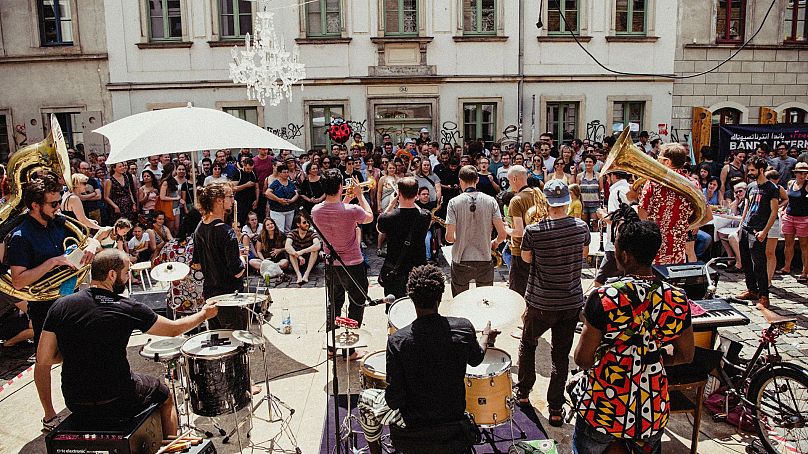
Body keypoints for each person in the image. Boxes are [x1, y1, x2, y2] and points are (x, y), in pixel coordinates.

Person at [37, 249, 218, 437]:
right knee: (165, 395)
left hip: (75, 400)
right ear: (112, 275)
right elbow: (173, 329)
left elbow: (45, 358)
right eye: (126, 273)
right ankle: (171, 446)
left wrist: (76, 350)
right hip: (118, 397)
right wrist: (204, 314)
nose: (128, 277)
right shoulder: (128, 308)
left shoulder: (60, 306)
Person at [572, 215, 694, 453]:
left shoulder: (605, 297)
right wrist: (647, 361)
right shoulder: (676, 298)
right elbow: (686, 354)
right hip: (651, 408)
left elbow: (582, 359)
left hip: (604, 408)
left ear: (624, 255)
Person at [357, 264, 498, 454]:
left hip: (413, 426)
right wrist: (485, 338)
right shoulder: (463, 328)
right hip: (452, 419)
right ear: (440, 297)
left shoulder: (398, 341)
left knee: (366, 399)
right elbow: (476, 359)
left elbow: (394, 400)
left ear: (411, 298)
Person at [5, 175, 96, 430]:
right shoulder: (21, 236)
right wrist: (53, 262)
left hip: (70, 297)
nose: (58, 208)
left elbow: (89, 236)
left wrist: (92, 245)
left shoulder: (57, 222)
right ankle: (48, 415)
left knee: (78, 351)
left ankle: (83, 402)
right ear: (35, 205)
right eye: (53, 204)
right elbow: (20, 282)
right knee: (44, 360)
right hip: (45, 305)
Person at [515, 180, 590, 427]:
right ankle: (556, 408)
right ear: (568, 202)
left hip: (540, 302)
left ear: (547, 202)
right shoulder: (581, 227)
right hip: (570, 302)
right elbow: (584, 255)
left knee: (528, 345)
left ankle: (524, 393)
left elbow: (526, 259)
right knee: (560, 355)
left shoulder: (533, 231)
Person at [311, 168, 373, 360]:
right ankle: (350, 350)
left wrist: (345, 198)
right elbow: (369, 217)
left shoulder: (316, 211)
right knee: (356, 303)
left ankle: (331, 346)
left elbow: (335, 212)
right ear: (340, 186)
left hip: (332, 264)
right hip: (353, 263)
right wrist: (360, 196)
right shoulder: (352, 210)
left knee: (335, 303)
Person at [639, 144, 712, 265]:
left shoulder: (653, 182)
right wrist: (684, 227)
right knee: (674, 282)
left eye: (660, 158)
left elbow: (642, 214)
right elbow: (708, 216)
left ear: (667, 162)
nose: (657, 160)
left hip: (653, 250)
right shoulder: (694, 184)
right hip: (677, 252)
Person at [445, 165, 507, 296]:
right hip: (484, 258)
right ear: (477, 180)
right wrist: (495, 242)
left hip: (461, 259)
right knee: (484, 303)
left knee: (459, 302)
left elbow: (449, 238)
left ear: (460, 180)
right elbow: (502, 234)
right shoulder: (491, 201)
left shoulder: (453, 202)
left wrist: (460, 236)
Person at [192, 183, 247, 328]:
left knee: (217, 343)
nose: (233, 200)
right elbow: (237, 271)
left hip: (210, 296)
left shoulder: (199, 228)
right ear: (218, 200)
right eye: (230, 196)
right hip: (230, 297)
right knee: (238, 344)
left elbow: (196, 264)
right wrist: (242, 255)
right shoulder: (227, 232)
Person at [736, 156, 780, 309]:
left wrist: (765, 231)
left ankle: (764, 295)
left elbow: (774, 212)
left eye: (753, 170)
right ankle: (752, 290)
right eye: (749, 170)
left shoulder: (771, 188)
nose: (750, 172)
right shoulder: (750, 186)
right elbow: (746, 207)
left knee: (759, 264)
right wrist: (741, 225)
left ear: (761, 169)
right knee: (746, 262)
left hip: (759, 230)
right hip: (746, 228)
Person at [377, 177, 431, 299]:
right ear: (417, 194)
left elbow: (379, 228)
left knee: (395, 309)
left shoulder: (387, 218)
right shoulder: (425, 216)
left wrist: (391, 204)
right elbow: (420, 211)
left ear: (399, 193)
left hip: (395, 270)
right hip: (417, 271)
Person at [505, 165, 548, 296]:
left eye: (509, 180)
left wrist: (506, 229)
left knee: (517, 293)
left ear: (514, 178)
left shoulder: (516, 200)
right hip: (539, 249)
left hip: (520, 251)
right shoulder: (539, 196)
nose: (509, 184)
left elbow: (518, 231)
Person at [153, 210, 205, 317]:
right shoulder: (205, 246)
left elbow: (155, 265)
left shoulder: (171, 245)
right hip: (201, 304)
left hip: (177, 302)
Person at [594, 171, 633, 286]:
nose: (607, 179)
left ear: (614, 176)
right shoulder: (628, 189)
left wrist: (602, 215)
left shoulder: (616, 192)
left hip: (615, 244)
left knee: (599, 282)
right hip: (626, 242)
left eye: (608, 176)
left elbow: (616, 220)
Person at [779, 162, 808, 282]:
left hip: (803, 218)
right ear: (795, 173)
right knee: (788, 243)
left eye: (805, 173)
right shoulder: (791, 183)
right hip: (789, 216)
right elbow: (788, 199)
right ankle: (787, 266)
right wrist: (783, 209)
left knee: (804, 246)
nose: (802, 175)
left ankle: (805, 271)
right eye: (800, 173)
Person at [285, 213, 321, 284]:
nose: (307, 224)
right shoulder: (293, 233)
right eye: (304, 222)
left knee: (315, 250)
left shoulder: (311, 233)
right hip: (297, 260)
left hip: (309, 261)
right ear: (298, 224)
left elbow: (317, 245)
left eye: (308, 222)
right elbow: (287, 246)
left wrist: (302, 252)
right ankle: (298, 274)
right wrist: (298, 256)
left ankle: (306, 274)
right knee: (290, 251)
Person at [266, 163, 299, 233]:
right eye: (284, 172)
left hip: (289, 209)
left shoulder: (290, 183)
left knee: (288, 230)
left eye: (287, 172)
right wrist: (278, 199)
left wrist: (292, 200)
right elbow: (267, 192)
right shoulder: (276, 183)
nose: (286, 174)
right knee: (279, 230)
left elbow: (296, 193)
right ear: (279, 173)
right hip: (277, 210)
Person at [231, 157, 259, 226]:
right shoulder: (238, 173)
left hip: (251, 201)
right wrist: (245, 185)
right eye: (248, 169)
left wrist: (257, 200)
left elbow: (257, 188)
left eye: (251, 168)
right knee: (241, 221)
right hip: (240, 201)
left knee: (252, 221)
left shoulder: (253, 173)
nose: (249, 170)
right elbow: (233, 188)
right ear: (244, 165)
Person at [577, 154, 602, 230]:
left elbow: (601, 190)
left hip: (595, 204)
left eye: (590, 162)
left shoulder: (599, 176)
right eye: (586, 162)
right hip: (583, 204)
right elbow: (577, 191)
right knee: (583, 225)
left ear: (594, 163)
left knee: (595, 225)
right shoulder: (579, 176)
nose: (588, 163)